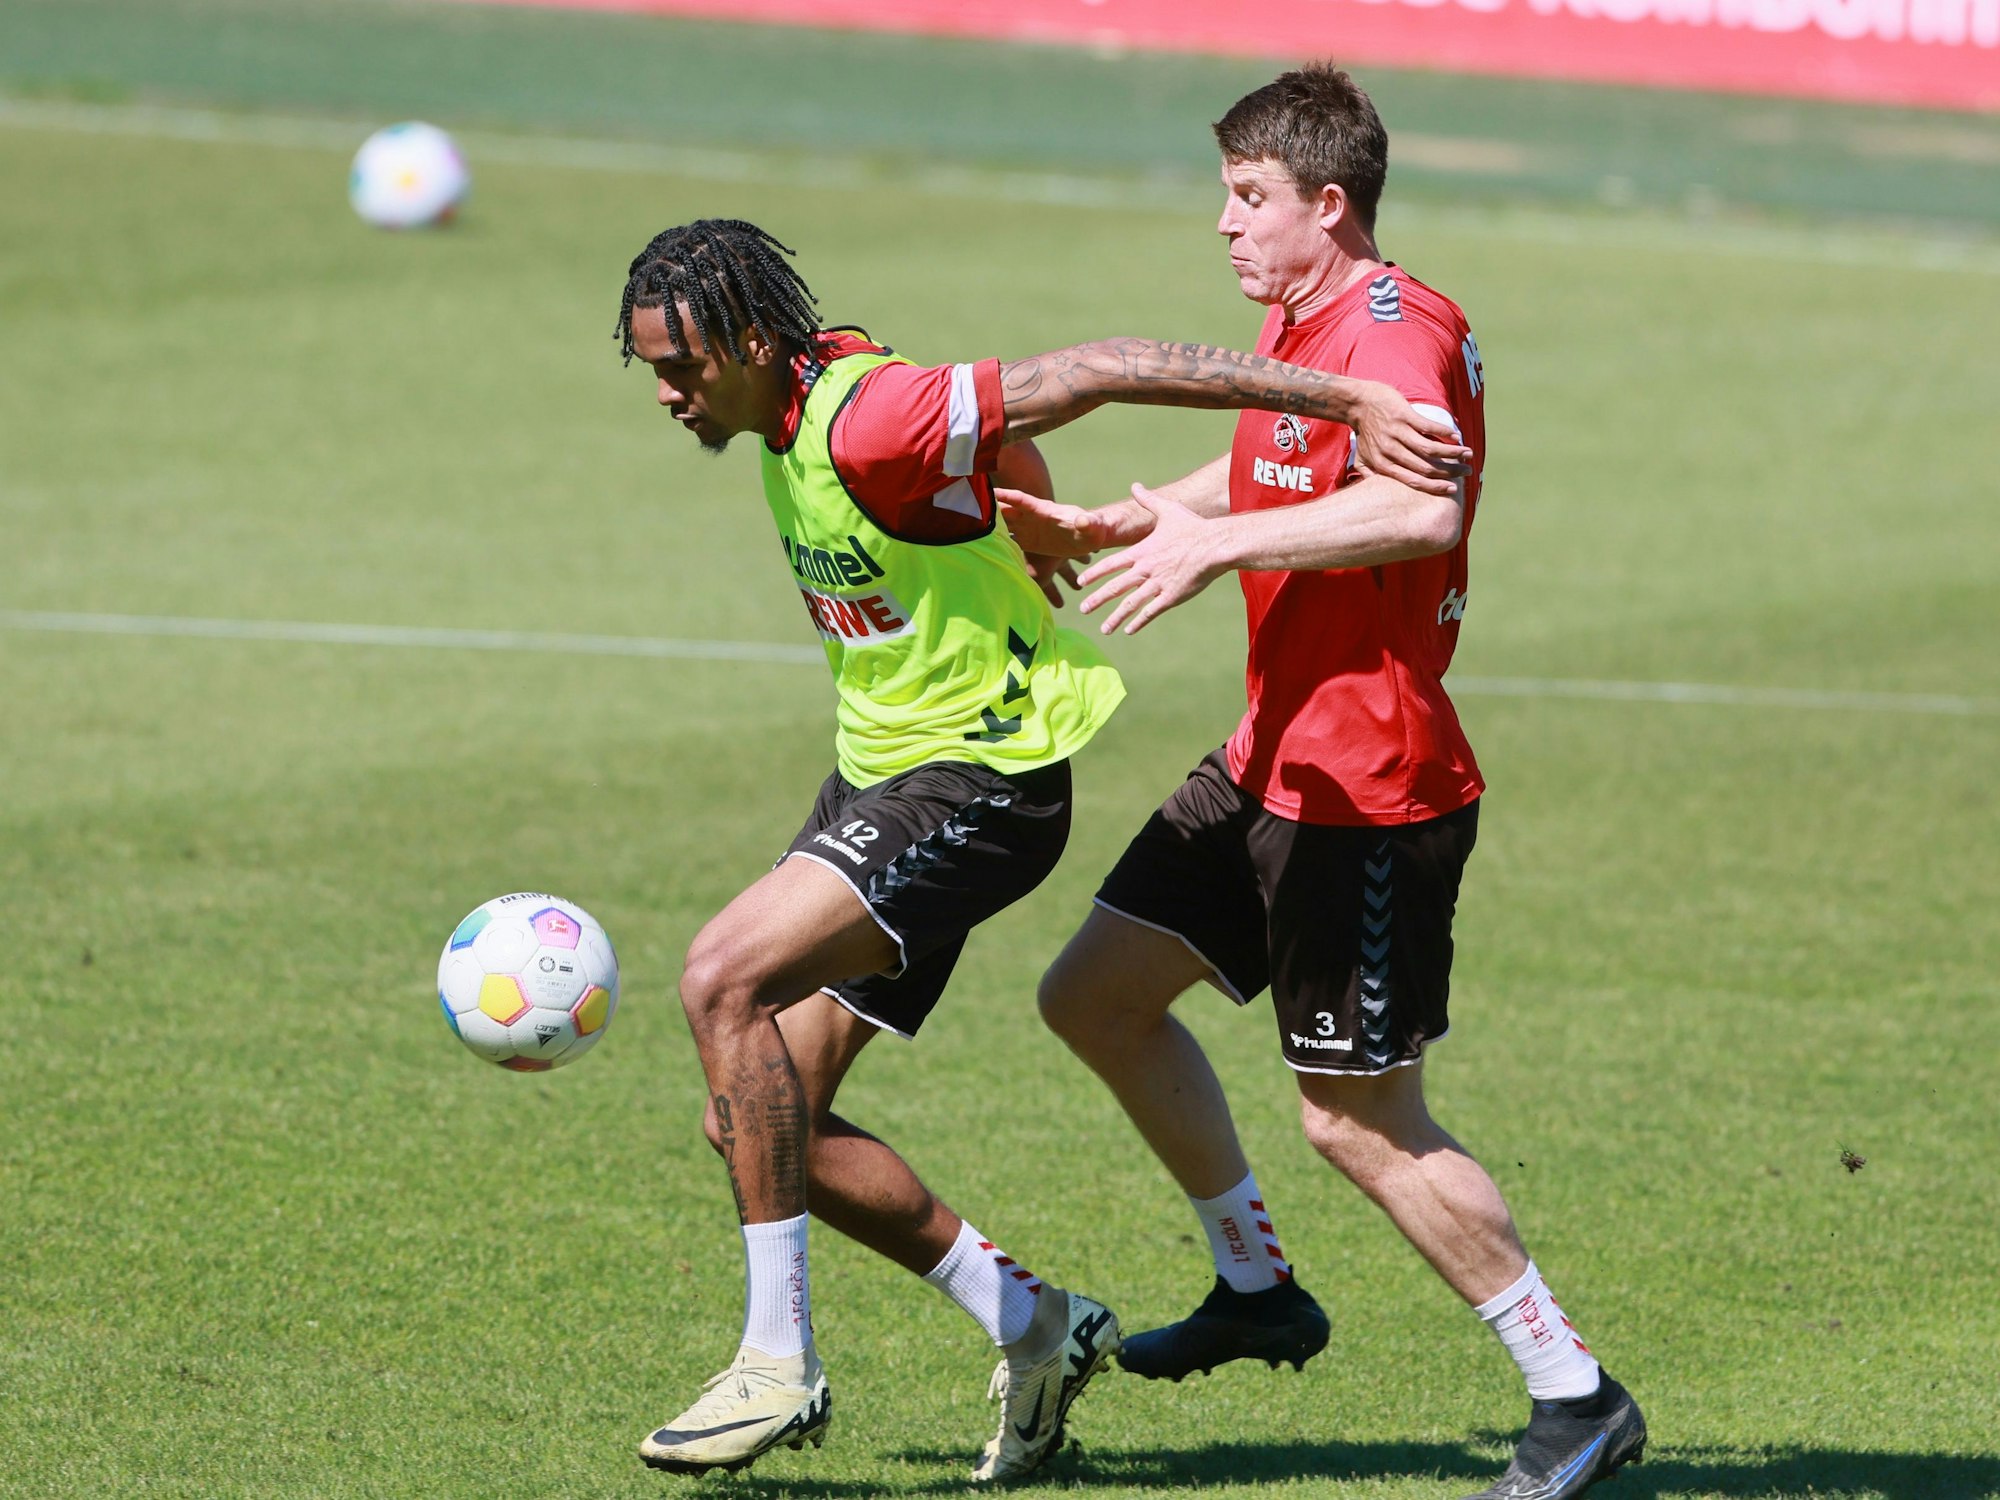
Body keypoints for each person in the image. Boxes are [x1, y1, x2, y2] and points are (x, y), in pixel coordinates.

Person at [611, 218, 1470, 1482]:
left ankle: (774, 1362)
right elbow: (983, 451)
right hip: (877, 780)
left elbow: (1103, 365)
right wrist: (1007, 512)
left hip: (978, 784)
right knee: (757, 1113)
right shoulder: (808, 400)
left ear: (747, 343)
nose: (668, 395)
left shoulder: (872, 416)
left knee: (716, 979)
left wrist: (1342, 396)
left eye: (681, 367)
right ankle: (1034, 1324)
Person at [1010, 66, 1648, 1500]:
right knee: (1094, 996)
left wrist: (1213, 551)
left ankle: (1576, 1394)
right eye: (1225, 195)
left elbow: (1422, 503)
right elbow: (1275, 465)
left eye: (1249, 199)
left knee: (1356, 1118)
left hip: (1365, 787)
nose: (1225, 224)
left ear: (1329, 203)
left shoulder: (1393, 328)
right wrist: (1126, 519)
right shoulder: (1306, 325)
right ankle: (1256, 1288)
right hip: (1271, 756)